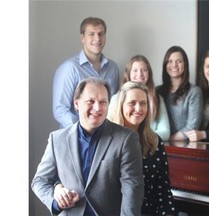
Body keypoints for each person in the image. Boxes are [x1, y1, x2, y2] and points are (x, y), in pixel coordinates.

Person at [31, 77, 144, 215]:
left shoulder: (126, 139)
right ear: (77, 104)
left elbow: (132, 190)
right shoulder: (57, 139)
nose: (97, 108)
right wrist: (55, 202)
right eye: (91, 101)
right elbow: (39, 181)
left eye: (103, 102)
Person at [108, 81, 177, 216]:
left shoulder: (155, 142)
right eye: (132, 103)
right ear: (121, 106)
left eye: (143, 103)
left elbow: (163, 191)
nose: (138, 109)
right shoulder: (107, 139)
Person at [53, 16, 120, 128]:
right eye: (91, 34)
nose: (97, 38)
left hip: (105, 136)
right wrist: (83, 130)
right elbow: (60, 110)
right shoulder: (69, 68)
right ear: (82, 37)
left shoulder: (112, 68)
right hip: (76, 137)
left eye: (101, 33)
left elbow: (113, 106)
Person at [108, 55, 170, 141]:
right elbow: (109, 129)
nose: (140, 74)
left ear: (149, 73)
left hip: (150, 145)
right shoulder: (116, 98)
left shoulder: (158, 99)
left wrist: (143, 138)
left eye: (144, 70)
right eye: (135, 70)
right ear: (128, 73)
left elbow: (165, 132)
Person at [157, 45, 203, 141]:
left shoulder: (194, 92)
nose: (174, 65)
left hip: (183, 147)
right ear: (165, 65)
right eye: (170, 61)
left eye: (179, 61)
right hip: (159, 145)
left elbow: (192, 127)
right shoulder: (157, 91)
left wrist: (168, 140)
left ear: (185, 65)